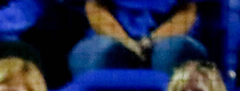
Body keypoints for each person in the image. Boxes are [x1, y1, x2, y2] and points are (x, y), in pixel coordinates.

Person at [69, 0, 208, 79]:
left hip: (168, 38)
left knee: (172, 53)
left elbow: (188, 10)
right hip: (111, 37)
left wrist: (152, 41)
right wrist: (127, 43)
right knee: (101, 55)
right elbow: (95, 7)